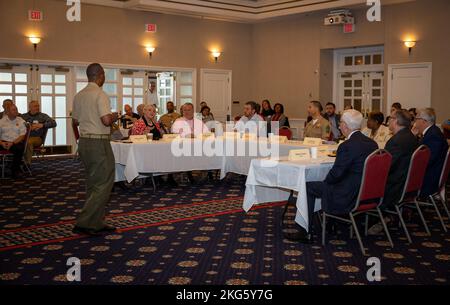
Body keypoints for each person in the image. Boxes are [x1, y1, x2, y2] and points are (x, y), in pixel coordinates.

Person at [298, 110, 378, 243]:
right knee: (329, 183)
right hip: (366, 192)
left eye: (340, 123)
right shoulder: (372, 143)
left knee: (308, 186)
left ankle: (306, 232)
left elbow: (335, 175)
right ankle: (331, 223)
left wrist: (325, 181)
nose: (339, 126)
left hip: (348, 194)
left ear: (346, 126)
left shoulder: (347, 145)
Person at [71, 63, 119, 236]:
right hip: (99, 142)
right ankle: (84, 222)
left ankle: (96, 221)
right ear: (101, 75)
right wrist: (115, 115)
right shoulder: (100, 94)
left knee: (93, 182)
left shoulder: (79, 95)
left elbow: (75, 121)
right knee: (104, 182)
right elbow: (106, 120)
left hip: (84, 141)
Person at [368, 110, 419, 234]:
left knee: (360, 179)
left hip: (394, 186)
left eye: (390, 118)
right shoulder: (410, 137)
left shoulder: (396, 141)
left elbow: (386, 167)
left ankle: (359, 218)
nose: (387, 121)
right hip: (408, 183)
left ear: (395, 121)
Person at [412, 108, 449, 198]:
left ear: (424, 121)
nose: (414, 123)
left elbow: (426, 161)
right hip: (432, 175)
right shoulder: (432, 132)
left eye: (416, 119)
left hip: (429, 180)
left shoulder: (433, 136)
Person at [21, 100, 57, 165]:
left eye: (38, 106)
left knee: (28, 142)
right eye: (35, 106)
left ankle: (26, 164)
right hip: (23, 137)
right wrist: (29, 128)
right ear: (30, 107)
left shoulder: (43, 116)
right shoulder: (23, 116)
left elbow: (54, 123)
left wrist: (42, 125)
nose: (37, 107)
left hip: (37, 138)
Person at [0, 104, 26, 178]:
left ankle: (15, 171)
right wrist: (1, 143)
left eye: (16, 109)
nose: (16, 111)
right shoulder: (1, 121)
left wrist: (12, 143)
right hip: (2, 142)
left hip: (15, 142)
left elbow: (22, 136)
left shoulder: (21, 121)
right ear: (8, 112)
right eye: (13, 110)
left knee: (19, 148)